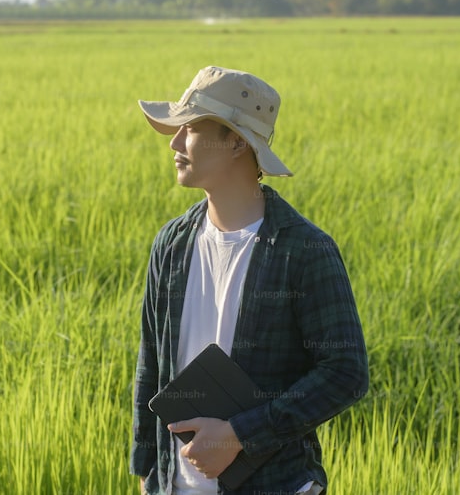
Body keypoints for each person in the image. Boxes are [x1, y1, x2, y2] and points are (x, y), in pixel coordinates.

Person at [130, 66, 369, 495]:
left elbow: (345, 372)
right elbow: (152, 363)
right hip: (175, 486)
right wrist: (147, 473)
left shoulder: (304, 250)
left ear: (238, 141)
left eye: (192, 128)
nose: (175, 141)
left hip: (276, 485)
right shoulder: (171, 243)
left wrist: (240, 435)